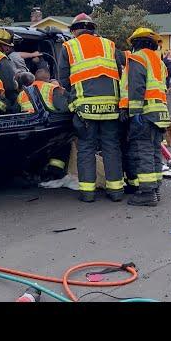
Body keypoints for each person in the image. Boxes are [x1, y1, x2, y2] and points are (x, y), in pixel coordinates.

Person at [57, 13, 124, 203]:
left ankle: (88, 193)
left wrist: (70, 102)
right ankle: (116, 191)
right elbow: (120, 72)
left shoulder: (69, 47)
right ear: (92, 29)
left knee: (86, 148)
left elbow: (64, 81)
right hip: (111, 107)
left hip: (85, 109)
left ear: (75, 31)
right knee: (111, 147)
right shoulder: (108, 45)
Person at [119, 27, 171, 206]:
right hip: (160, 112)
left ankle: (147, 193)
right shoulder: (159, 62)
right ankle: (155, 188)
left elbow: (136, 88)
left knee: (143, 151)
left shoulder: (138, 58)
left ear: (136, 43)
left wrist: (134, 113)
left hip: (145, 112)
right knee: (155, 150)